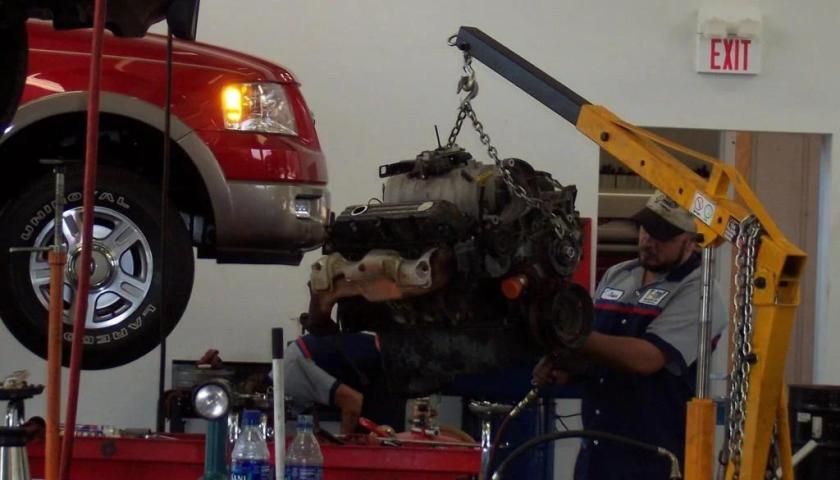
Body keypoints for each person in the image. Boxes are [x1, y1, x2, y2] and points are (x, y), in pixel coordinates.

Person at [533, 190, 727, 479]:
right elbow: (599, 351)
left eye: (663, 236)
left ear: (690, 240)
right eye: (646, 230)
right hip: (597, 455)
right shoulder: (618, 275)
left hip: (654, 461)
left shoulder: (701, 292)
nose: (649, 241)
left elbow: (646, 359)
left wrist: (575, 335)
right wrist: (568, 366)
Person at [284, 330, 405, 435]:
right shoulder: (289, 371)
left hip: (382, 368)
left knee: (385, 441)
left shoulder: (289, 376)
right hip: (371, 368)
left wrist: (344, 442)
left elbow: (353, 401)